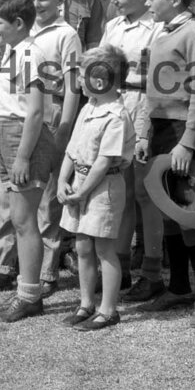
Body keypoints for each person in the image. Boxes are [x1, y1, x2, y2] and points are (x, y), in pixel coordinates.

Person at [0, 0, 58, 323]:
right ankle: (25, 291)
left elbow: (34, 113)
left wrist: (21, 156)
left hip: (24, 137)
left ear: (18, 22)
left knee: (23, 219)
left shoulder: (31, 54)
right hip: (6, 133)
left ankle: (29, 296)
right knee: (18, 219)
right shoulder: (14, 51)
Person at [134, 0, 195, 327]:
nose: (147, 2)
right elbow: (150, 91)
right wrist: (142, 132)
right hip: (159, 130)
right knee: (166, 208)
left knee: (189, 212)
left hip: (183, 133)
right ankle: (180, 287)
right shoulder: (162, 33)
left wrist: (187, 144)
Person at [100, 0, 165, 304]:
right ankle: (120, 266)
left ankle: (151, 271)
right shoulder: (112, 26)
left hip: (144, 108)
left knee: (144, 194)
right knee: (119, 193)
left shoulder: (157, 28)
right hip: (115, 110)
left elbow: (158, 80)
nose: (115, 2)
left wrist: (145, 127)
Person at [57, 46, 136, 330]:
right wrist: (62, 180)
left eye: (81, 75)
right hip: (80, 185)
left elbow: (103, 162)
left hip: (102, 189)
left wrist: (83, 192)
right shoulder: (89, 108)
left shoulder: (116, 116)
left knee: (103, 248)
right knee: (82, 247)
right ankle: (86, 303)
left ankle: (108, 310)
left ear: (99, 81)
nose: (77, 80)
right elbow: (72, 149)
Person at [22, 0, 82, 297]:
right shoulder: (23, 30)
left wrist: (65, 127)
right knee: (24, 192)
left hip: (53, 109)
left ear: (59, 0)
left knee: (48, 196)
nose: (36, 4)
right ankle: (26, 265)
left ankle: (48, 272)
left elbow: (73, 86)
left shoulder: (66, 34)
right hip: (24, 112)